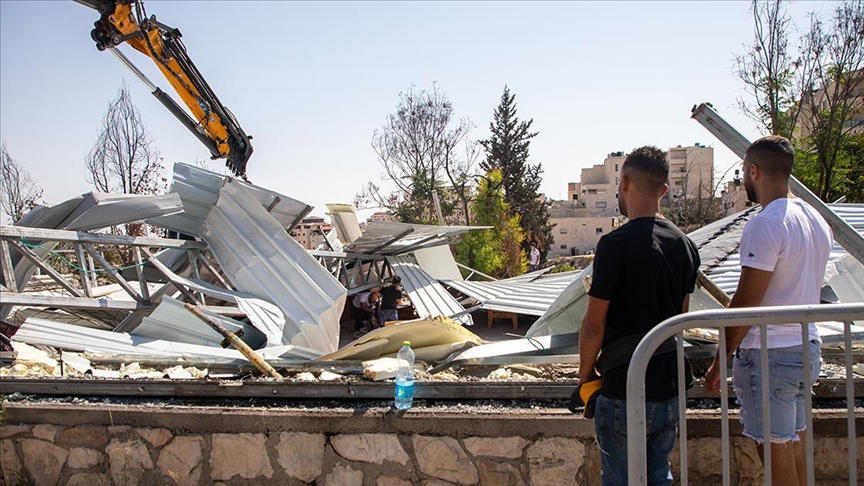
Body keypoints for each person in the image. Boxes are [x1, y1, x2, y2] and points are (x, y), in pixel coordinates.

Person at [704, 136, 831, 486]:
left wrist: (720, 360)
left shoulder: (766, 223)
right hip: (805, 346)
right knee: (794, 440)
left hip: (770, 353)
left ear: (754, 171)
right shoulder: (815, 219)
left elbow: (746, 302)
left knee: (774, 450)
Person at [579, 146, 699, 486]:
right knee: (659, 476)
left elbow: (593, 324)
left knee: (621, 479)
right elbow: (681, 318)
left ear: (625, 182)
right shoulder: (686, 245)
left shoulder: (614, 246)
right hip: (669, 385)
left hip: (624, 385)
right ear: (664, 190)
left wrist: (585, 376)